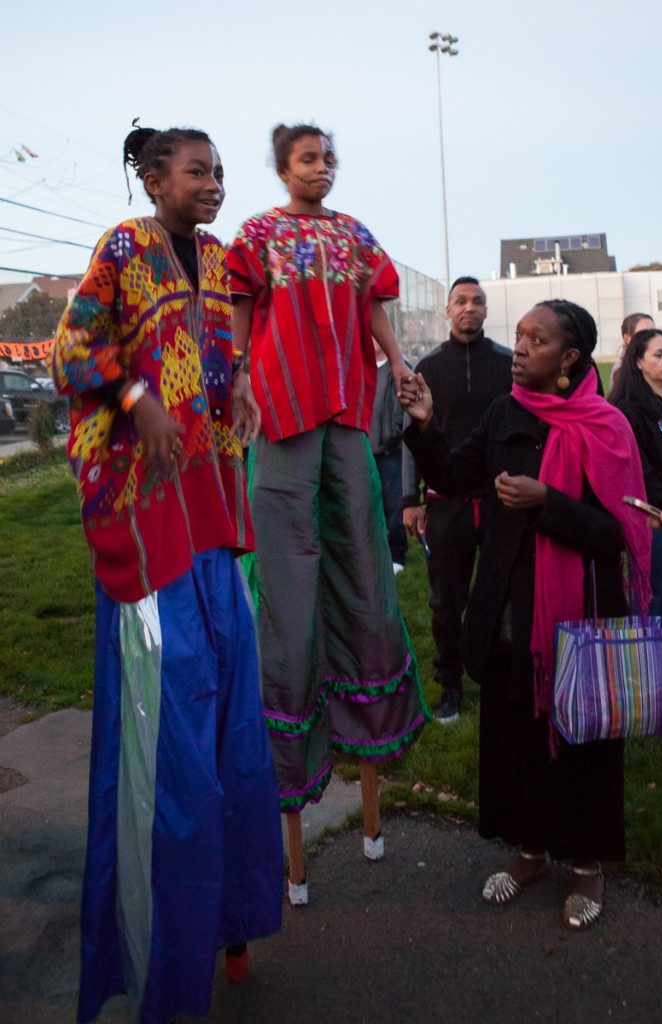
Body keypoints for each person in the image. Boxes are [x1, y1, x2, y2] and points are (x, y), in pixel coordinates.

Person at [51, 123, 283, 1024]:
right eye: (196, 171)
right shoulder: (121, 248)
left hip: (215, 522)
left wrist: (244, 389)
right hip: (148, 537)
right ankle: (157, 972)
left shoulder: (221, 262)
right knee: (170, 760)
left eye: (221, 172)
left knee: (233, 741)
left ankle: (229, 925)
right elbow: (75, 353)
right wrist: (137, 396)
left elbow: (217, 361)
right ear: (153, 182)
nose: (215, 184)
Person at [400, 299, 651, 930]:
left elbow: (615, 534)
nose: (518, 347)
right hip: (511, 607)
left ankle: (587, 862)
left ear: (569, 359)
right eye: (517, 336)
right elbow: (456, 477)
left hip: (583, 615)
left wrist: (549, 502)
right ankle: (532, 849)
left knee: (583, 737)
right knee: (515, 735)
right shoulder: (504, 411)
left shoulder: (607, 426)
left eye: (535, 340)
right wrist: (427, 426)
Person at [227, 123, 429, 902]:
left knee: (364, 574)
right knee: (286, 588)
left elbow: (378, 311)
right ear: (282, 168)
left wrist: (398, 358)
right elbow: (240, 309)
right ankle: (288, 774)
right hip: (279, 416)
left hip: (345, 413)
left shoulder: (354, 237)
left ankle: (369, 753)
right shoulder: (257, 234)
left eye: (329, 158)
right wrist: (239, 371)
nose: (323, 169)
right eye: (309, 158)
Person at [402, 276, 513, 722]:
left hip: (500, 499)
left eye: (478, 301)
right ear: (446, 311)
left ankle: (497, 674)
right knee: (446, 601)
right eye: (461, 301)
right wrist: (412, 498)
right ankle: (449, 683)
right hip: (446, 502)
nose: (470, 307)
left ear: (486, 311)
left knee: (502, 592)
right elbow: (411, 434)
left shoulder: (508, 363)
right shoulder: (426, 366)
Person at [610, 328, 662, 624]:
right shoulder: (628, 410)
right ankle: (649, 664)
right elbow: (640, 470)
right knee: (654, 594)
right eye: (658, 355)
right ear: (638, 361)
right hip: (655, 519)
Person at [369, 339, 409, 572]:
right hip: (365, 447)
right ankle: (372, 550)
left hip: (390, 450)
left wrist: (395, 435)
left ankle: (397, 555)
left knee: (394, 505)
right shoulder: (360, 367)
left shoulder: (399, 369)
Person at [608, 312, 655, 390]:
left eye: (653, 332)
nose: (651, 337)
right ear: (627, 338)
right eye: (644, 333)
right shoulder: (622, 369)